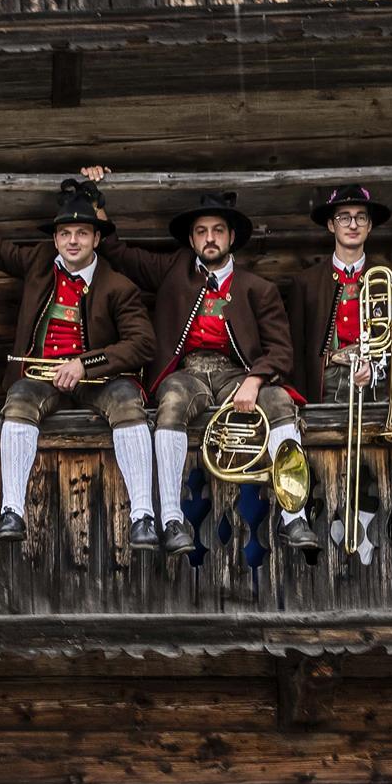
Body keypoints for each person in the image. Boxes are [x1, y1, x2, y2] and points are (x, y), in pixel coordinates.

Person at [0, 166, 151, 547]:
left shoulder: (118, 285)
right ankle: (12, 510)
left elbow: (142, 343)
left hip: (99, 381)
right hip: (41, 378)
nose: (73, 241)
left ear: (97, 238)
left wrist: (84, 364)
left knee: (128, 401)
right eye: (65, 233)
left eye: (82, 233)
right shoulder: (38, 263)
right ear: (55, 238)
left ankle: (142, 516)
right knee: (19, 399)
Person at [101, 188, 301, 554]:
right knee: (172, 402)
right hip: (187, 373)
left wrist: (255, 380)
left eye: (218, 230)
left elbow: (282, 350)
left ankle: (294, 515)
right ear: (192, 240)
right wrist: (97, 209)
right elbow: (119, 254)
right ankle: (171, 519)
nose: (210, 238)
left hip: (237, 374)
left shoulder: (259, 288)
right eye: (202, 231)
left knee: (278, 400)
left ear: (232, 237)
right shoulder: (172, 271)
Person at [280, 184, 392, 561]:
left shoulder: (388, 277)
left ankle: (364, 527)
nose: (352, 224)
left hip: (374, 380)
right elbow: (296, 343)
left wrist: (375, 366)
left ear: (370, 226)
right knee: (324, 458)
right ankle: (327, 523)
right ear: (331, 226)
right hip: (327, 379)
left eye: (360, 218)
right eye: (344, 218)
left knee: (370, 457)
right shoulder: (306, 282)